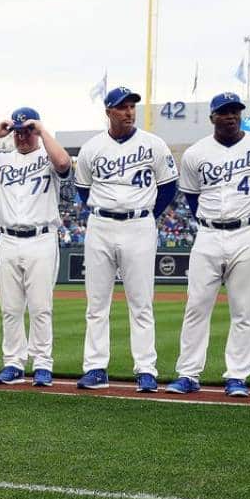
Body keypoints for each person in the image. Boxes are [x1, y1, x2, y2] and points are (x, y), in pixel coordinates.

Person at [74, 87, 178, 392]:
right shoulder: (92, 148)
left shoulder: (153, 144)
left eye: (132, 106)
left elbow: (168, 187)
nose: (129, 111)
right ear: (108, 112)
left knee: (141, 302)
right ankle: (95, 368)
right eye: (122, 107)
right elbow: (83, 189)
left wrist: (146, 215)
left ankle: (146, 369)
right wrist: (105, 209)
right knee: (96, 303)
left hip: (139, 226)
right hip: (101, 225)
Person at [0, 108, 71, 388]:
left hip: (42, 237)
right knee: (10, 308)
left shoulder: (47, 156)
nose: (22, 136)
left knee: (40, 307)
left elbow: (63, 162)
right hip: (9, 239)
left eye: (27, 130)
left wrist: (41, 130)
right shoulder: (2, 160)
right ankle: (13, 363)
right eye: (18, 131)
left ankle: (42, 364)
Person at [166, 92, 250, 398]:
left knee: (245, 311)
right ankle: (188, 374)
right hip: (208, 234)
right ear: (212, 117)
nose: (231, 116)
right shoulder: (195, 153)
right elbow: (191, 196)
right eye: (225, 112)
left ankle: (237, 376)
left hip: (246, 233)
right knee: (197, 306)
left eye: (235, 111)